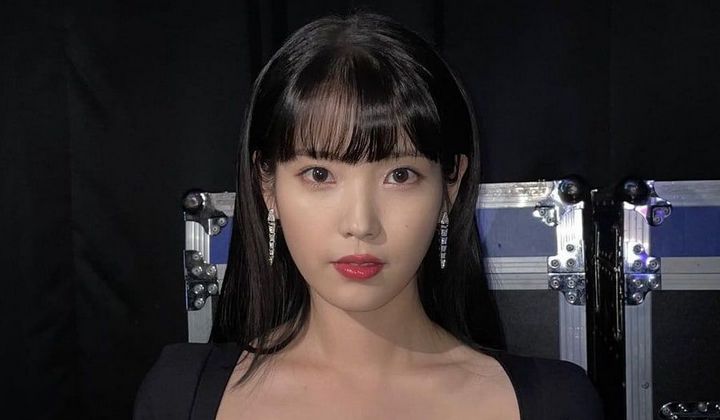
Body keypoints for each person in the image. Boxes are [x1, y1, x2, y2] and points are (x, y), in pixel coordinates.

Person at [134, 11, 604, 420]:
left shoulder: (552, 403)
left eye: (400, 175)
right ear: (267, 185)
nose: (360, 223)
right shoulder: (181, 395)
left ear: (451, 185)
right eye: (319, 174)